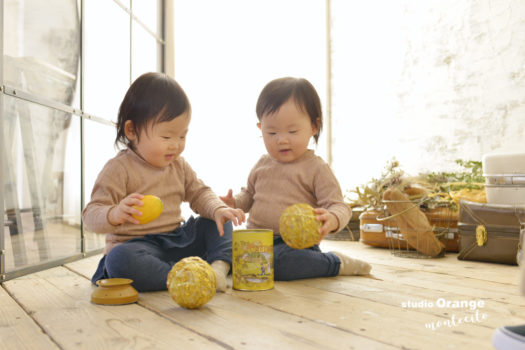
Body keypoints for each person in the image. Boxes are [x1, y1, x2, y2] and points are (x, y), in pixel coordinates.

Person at [83, 72, 245, 292]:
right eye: (167, 137)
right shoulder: (119, 169)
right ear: (132, 130)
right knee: (119, 260)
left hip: (178, 240)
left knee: (217, 219)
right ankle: (185, 277)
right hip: (138, 246)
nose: (176, 145)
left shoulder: (179, 165)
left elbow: (199, 193)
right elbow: (91, 215)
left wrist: (217, 208)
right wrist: (113, 214)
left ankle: (217, 268)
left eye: (182, 136)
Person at [220, 77, 371, 281]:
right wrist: (234, 203)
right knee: (224, 250)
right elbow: (249, 195)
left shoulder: (316, 168)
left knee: (286, 263)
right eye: (272, 132)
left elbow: (340, 206)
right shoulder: (262, 164)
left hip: (294, 245)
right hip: (256, 241)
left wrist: (333, 219)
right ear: (260, 129)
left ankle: (335, 262)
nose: (282, 139)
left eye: (292, 131)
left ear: (314, 126)